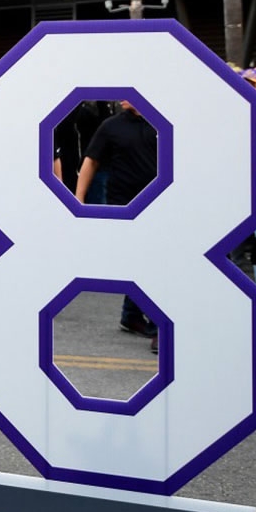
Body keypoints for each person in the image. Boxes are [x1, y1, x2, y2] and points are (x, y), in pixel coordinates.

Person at [74, 99, 159, 339]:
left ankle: (130, 315)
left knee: (146, 261)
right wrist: (78, 199)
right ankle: (155, 325)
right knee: (143, 261)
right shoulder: (111, 125)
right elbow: (91, 160)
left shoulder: (161, 121)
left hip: (159, 204)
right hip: (123, 205)